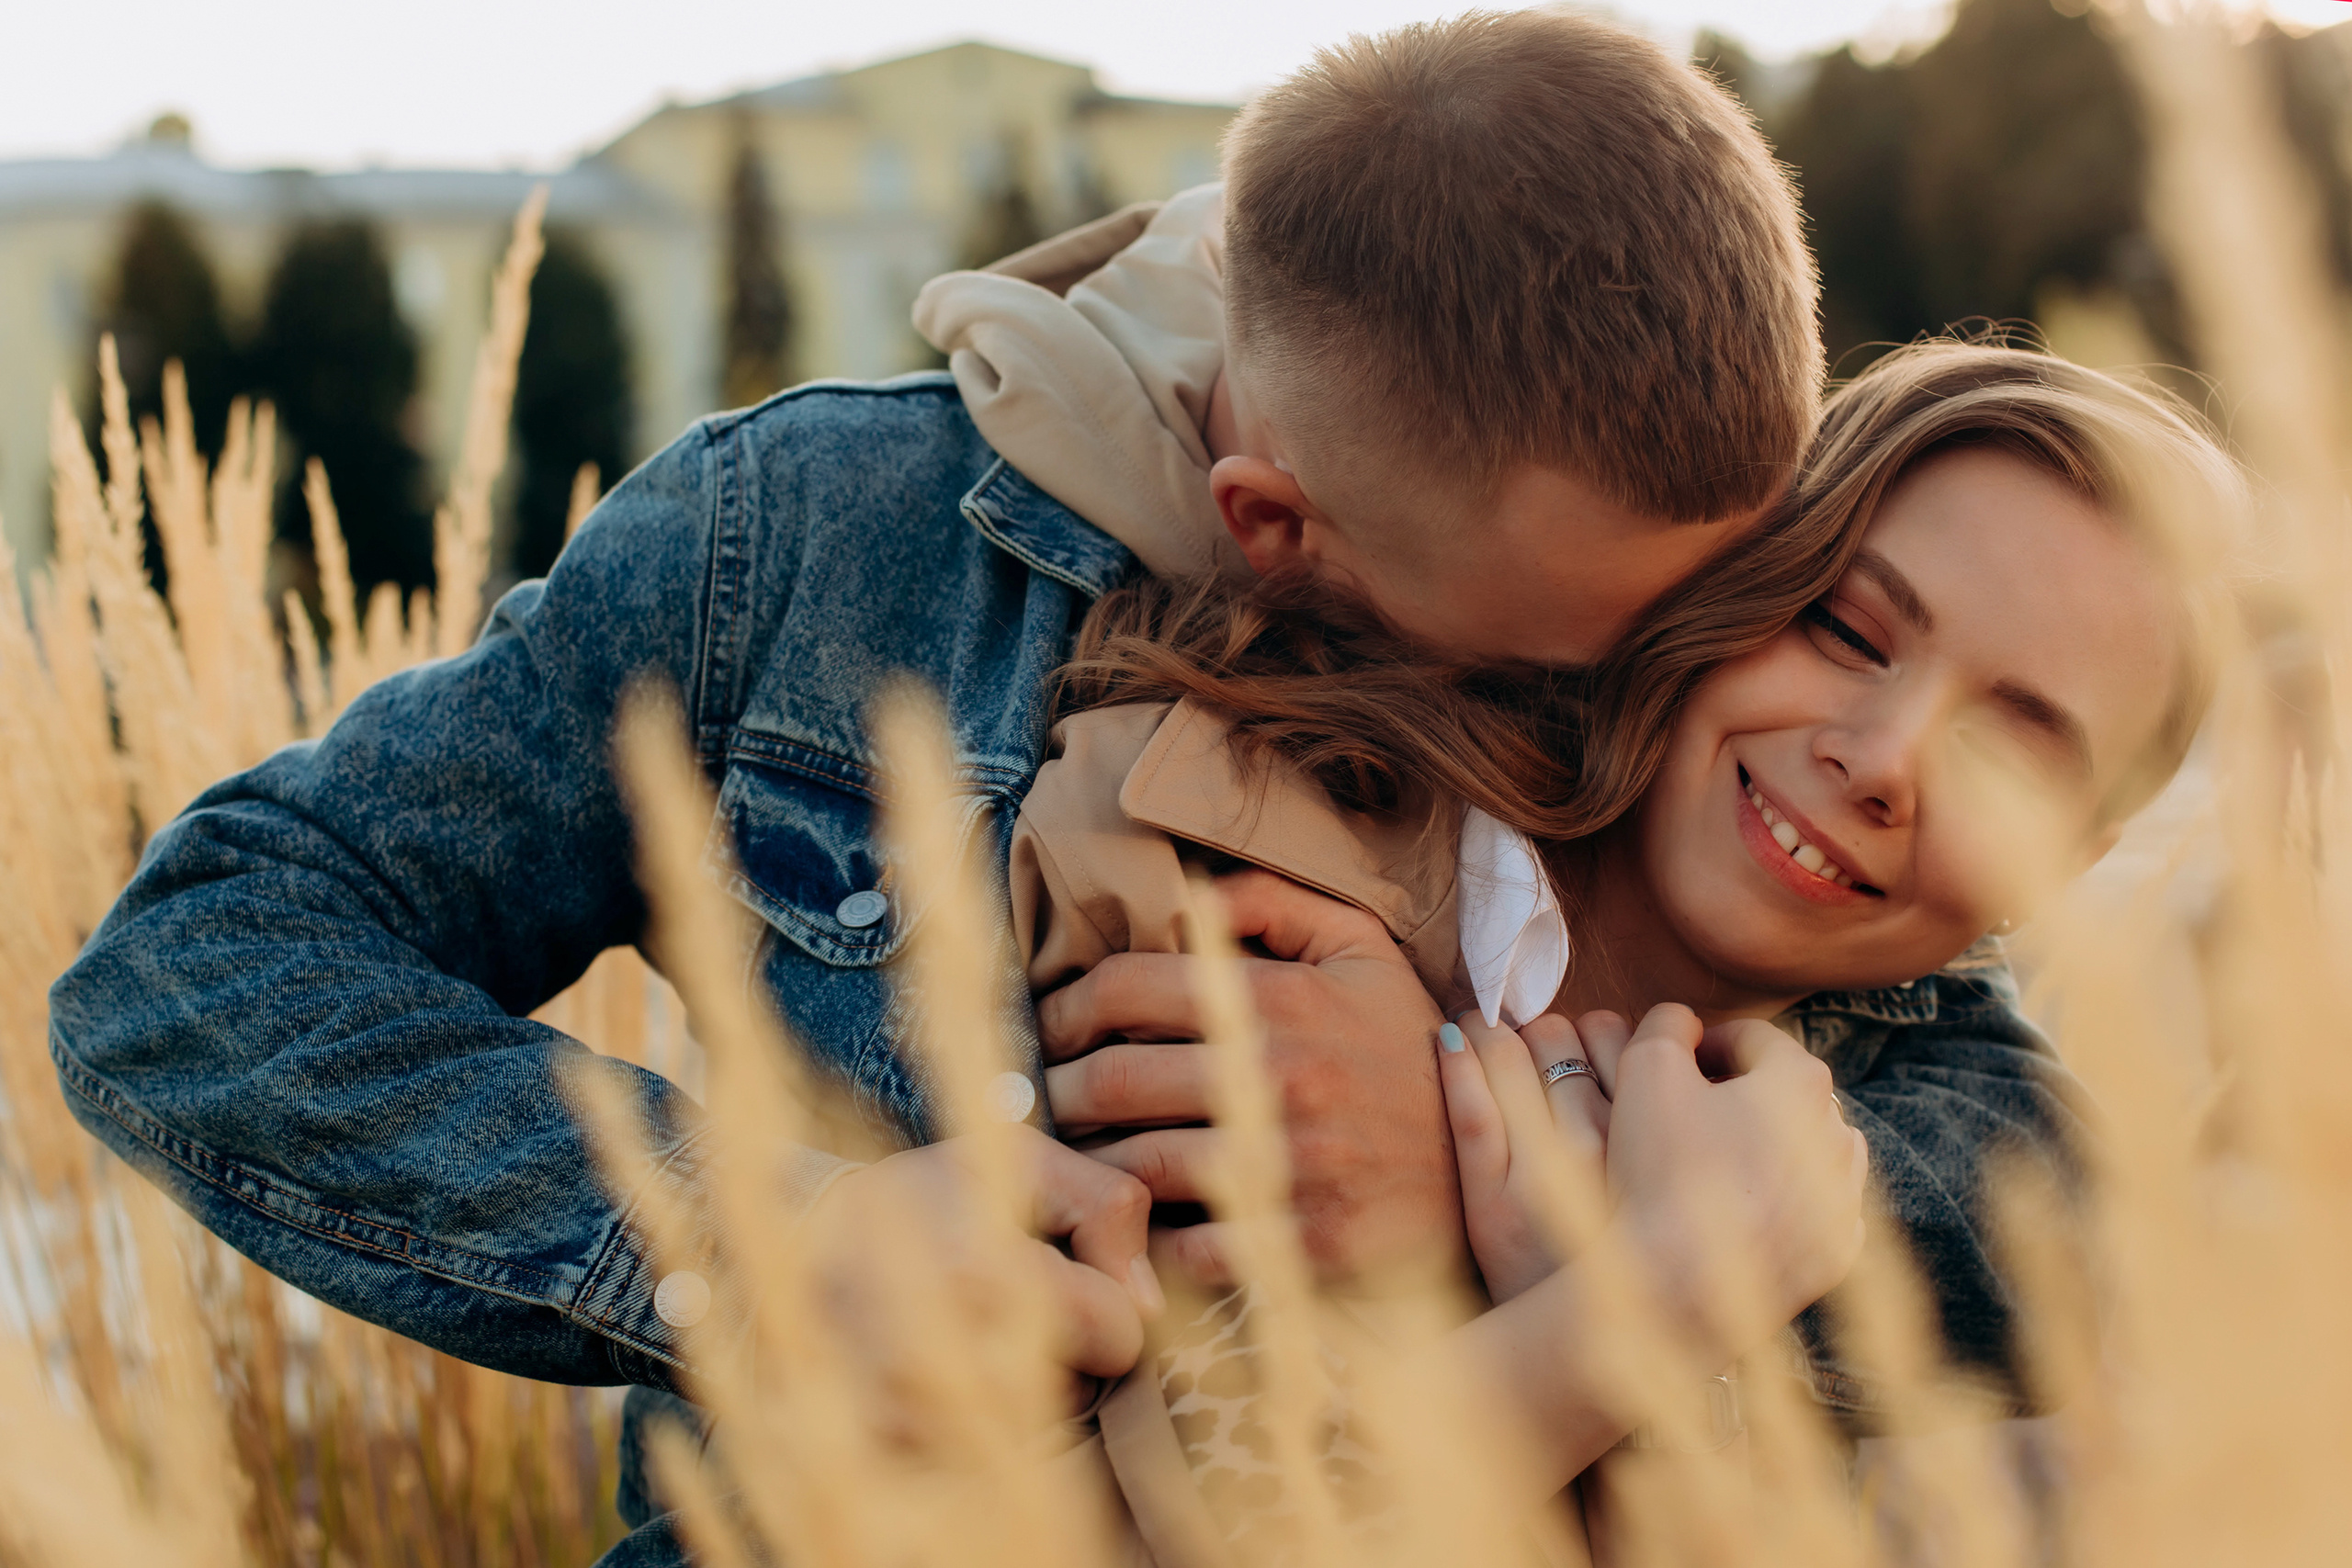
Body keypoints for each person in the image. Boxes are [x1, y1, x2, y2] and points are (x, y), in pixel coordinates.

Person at [47, 15, 1894, 1562]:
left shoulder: (1684, 587)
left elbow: (2018, 1115)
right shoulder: (798, 540)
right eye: (1550, 662)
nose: (1635, 693)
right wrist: (777, 1248)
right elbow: (198, 965)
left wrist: (1517, 1170)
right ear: (1273, 530)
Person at [1012, 342, 2237, 1560]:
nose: (1881, 756)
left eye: (2008, 753)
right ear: (1735, 568)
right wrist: (1659, 1298)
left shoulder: (1892, 1139)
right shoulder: (1244, 838)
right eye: (1850, 632)